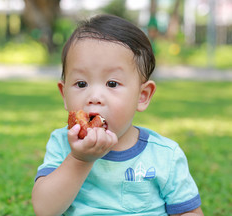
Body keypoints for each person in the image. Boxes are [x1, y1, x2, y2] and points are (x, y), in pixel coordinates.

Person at [32, 14, 203, 215]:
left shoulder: (165, 155)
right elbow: (44, 209)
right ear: (64, 94)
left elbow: (188, 212)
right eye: (81, 84)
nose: (94, 97)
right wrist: (79, 160)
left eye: (112, 84)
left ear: (142, 96)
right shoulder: (62, 144)